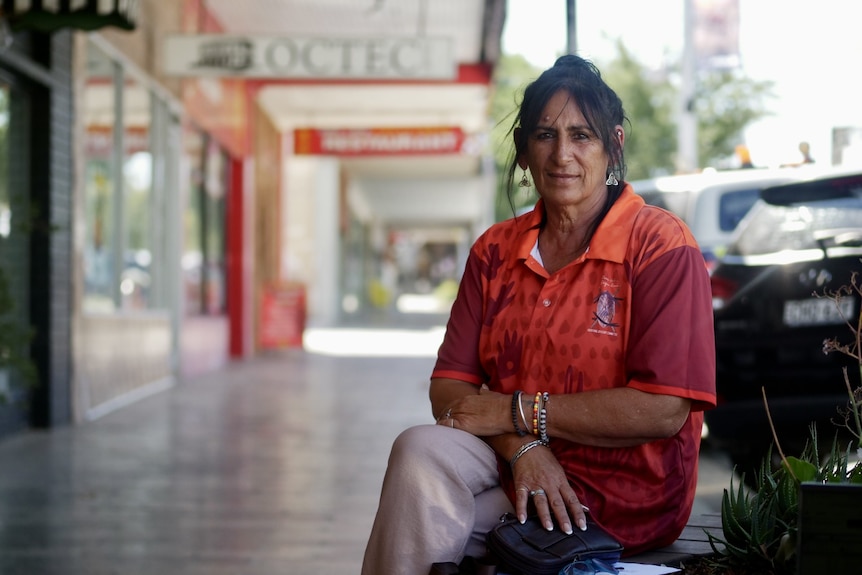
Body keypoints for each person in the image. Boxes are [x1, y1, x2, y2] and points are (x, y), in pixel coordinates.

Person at [361, 55, 716, 575]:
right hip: (513, 465)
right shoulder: (494, 250)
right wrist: (525, 445)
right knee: (419, 450)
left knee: (433, 530)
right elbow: (450, 388)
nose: (562, 155)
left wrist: (518, 413)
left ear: (614, 144)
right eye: (545, 135)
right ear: (524, 152)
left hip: (623, 493)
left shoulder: (659, 244)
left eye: (582, 136)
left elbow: (663, 409)